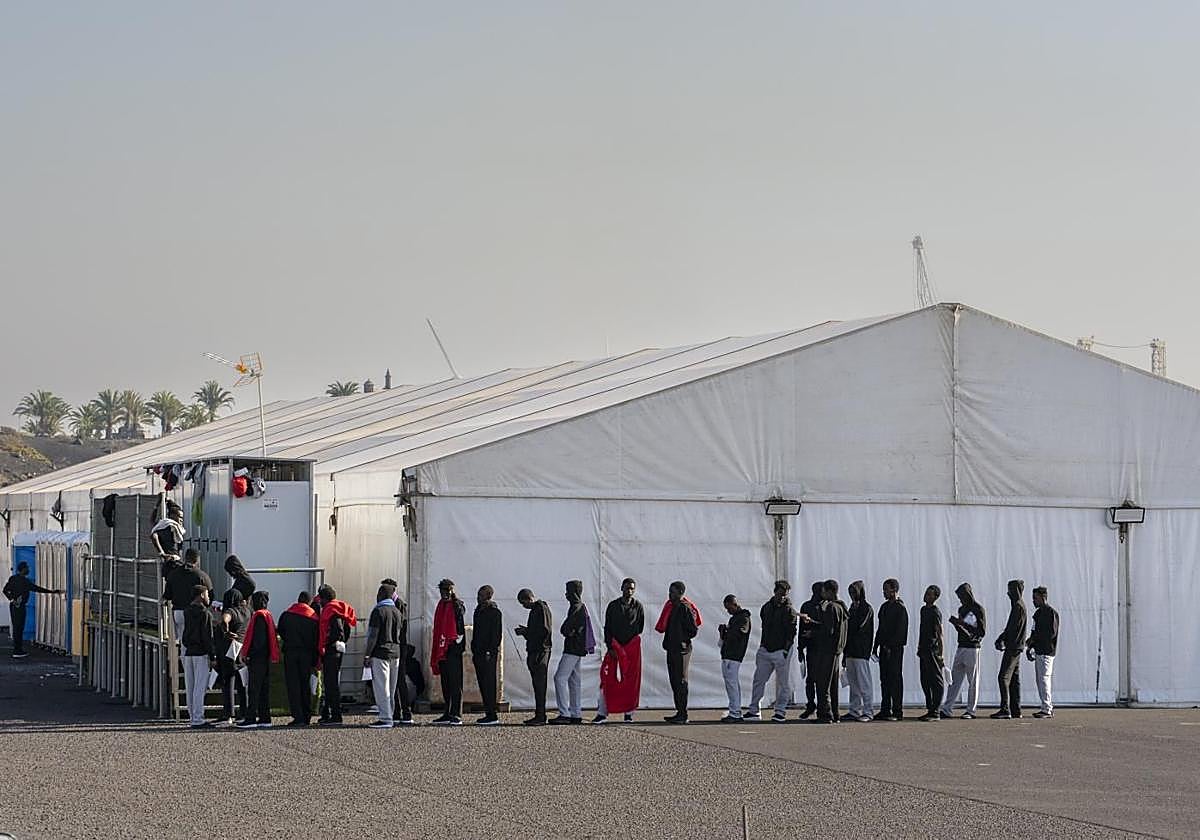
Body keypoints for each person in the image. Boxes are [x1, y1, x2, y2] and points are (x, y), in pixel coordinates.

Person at [746, 580, 798, 723]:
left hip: (781, 650)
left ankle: (780, 711)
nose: (783, 597)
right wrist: (762, 645)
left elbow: (791, 633)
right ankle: (754, 710)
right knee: (758, 680)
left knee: (783, 683)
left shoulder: (790, 611)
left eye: (785, 595)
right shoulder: (766, 608)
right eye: (780, 594)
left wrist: (785, 651)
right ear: (775, 592)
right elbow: (765, 627)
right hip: (766, 649)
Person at [594, 577, 645, 724]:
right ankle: (602, 713)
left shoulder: (638, 606)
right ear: (621, 588)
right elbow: (608, 627)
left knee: (631, 680)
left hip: (632, 648)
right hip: (615, 646)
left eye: (632, 588)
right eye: (627, 587)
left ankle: (629, 713)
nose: (629, 591)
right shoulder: (613, 606)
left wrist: (629, 642)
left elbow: (640, 627)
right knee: (607, 677)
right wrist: (610, 647)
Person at [801, 579, 847, 723]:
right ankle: (835, 713)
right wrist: (813, 622)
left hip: (827, 650)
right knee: (832, 685)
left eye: (824, 590)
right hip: (837, 651)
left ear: (829, 591)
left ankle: (825, 715)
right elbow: (831, 626)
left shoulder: (831, 607)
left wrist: (812, 633)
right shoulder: (842, 607)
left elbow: (828, 630)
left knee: (823, 684)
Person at [655, 580, 701, 724]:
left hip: (682, 650)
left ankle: (683, 714)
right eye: (669, 591)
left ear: (680, 593)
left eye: (673, 592)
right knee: (674, 681)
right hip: (671, 648)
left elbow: (693, 629)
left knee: (681, 681)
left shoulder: (684, 608)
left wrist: (682, 639)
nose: (670, 594)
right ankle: (679, 711)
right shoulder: (671, 607)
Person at [940, 582, 986, 719]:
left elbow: (981, 631)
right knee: (954, 679)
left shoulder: (978, 609)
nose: (960, 599)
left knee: (973, 680)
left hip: (973, 648)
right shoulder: (962, 609)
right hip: (961, 646)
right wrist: (957, 624)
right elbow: (963, 629)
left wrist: (962, 624)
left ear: (967, 594)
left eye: (961, 596)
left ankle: (971, 710)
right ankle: (947, 708)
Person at [551, 579, 592, 725]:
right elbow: (568, 629)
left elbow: (565, 629)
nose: (566, 594)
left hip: (572, 649)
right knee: (574, 681)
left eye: (568, 591)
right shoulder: (581, 607)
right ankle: (575, 713)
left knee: (559, 678)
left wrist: (568, 630)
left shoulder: (576, 608)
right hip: (578, 649)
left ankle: (564, 713)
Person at [315, 583, 356, 726]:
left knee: (331, 684)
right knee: (331, 682)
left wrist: (330, 643)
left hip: (331, 651)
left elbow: (337, 631)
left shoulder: (331, 611)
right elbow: (347, 631)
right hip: (338, 651)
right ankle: (328, 713)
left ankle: (335, 715)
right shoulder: (340, 609)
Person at [277, 590, 319, 727]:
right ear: (309, 602)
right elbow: (316, 638)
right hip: (307, 655)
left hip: (291, 653)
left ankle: (298, 716)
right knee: (305, 684)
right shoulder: (313, 617)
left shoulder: (286, 614)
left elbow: (281, 632)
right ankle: (307, 715)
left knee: (293, 685)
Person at [237, 590, 278, 729]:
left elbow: (259, 641)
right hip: (266, 657)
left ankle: (251, 718)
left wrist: (249, 654)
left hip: (257, 658)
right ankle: (264, 717)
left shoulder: (259, 617)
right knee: (263, 689)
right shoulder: (268, 615)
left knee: (254, 689)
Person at [364, 582, 403, 729]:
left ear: (381, 594)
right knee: (391, 689)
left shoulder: (378, 611)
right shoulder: (397, 612)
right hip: (396, 652)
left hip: (380, 652)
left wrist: (367, 655)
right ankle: (391, 715)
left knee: (381, 687)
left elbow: (373, 635)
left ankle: (385, 718)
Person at [4, 561, 62, 658]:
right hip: (20, 607)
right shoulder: (25, 581)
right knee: (19, 628)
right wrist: (52, 592)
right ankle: (17, 651)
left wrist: (12, 599)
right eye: (27, 568)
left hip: (13, 606)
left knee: (16, 628)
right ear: (23, 569)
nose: (28, 570)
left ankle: (17, 649)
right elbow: (37, 589)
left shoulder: (13, 579)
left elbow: (5, 590)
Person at [430, 578, 467, 726]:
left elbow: (459, 628)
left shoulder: (457, 605)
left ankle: (456, 713)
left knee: (455, 682)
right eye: (442, 591)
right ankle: (447, 711)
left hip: (453, 647)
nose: (444, 594)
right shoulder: (441, 605)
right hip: (442, 647)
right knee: (445, 682)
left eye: (447, 591)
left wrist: (457, 645)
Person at [181, 583, 217, 729]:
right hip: (201, 653)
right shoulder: (206, 614)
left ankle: (192, 716)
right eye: (207, 594)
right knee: (199, 687)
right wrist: (212, 655)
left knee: (190, 686)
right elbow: (207, 636)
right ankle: (198, 718)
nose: (208, 597)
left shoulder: (187, 611)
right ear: (202, 595)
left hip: (189, 651)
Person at [516, 588, 553, 726]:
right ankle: (539, 714)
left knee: (540, 684)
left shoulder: (541, 609)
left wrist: (526, 632)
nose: (523, 606)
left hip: (540, 651)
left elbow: (544, 631)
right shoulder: (537, 610)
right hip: (536, 651)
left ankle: (541, 716)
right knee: (537, 685)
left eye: (523, 602)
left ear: (529, 598)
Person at [991, 579, 1028, 720]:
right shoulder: (1018, 606)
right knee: (1014, 679)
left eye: (1010, 591)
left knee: (1003, 677)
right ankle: (1016, 709)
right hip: (1016, 647)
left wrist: (1003, 640)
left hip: (1013, 647)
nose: (1008, 594)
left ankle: (1005, 709)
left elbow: (1012, 629)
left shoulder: (1018, 607)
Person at [872, 578, 908, 721]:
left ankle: (897, 711)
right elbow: (880, 629)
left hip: (895, 650)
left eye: (886, 589)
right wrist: (875, 646)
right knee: (884, 679)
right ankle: (885, 709)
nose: (884, 592)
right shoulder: (884, 607)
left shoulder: (900, 608)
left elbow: (901, 631)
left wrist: (891, 646)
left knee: (895, 678)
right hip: (883, 648)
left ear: (894, 590)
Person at [382, 578, 414, 726]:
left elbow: (401, 627)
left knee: (399, 680)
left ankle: (406, 712)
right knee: (393, 680)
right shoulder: (392, 604)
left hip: (399, 646)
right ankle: (396, 711)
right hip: (395, 646)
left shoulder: (399, 604)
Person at [162, 549, 213, 643]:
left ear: (185, 558)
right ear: (197, 559)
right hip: (196, 613)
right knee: (196, 640)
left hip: (178, 612)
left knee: (183, 640)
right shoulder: (201, 576)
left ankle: (182, 656)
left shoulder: (173, 574)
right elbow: (210, 595)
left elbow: (167, 595)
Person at [216, 587, 250, 724]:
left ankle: (228, 714)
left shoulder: (231, 611)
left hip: (229, 650)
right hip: (242, 650)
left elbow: (225, 619)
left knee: (228, 681)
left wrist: (226, 629)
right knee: (242, 683)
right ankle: (244, 713)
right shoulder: (247, 612)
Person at [843, 580, 875, 722]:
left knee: (864, 683)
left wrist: (847, 625)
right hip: (850, 650)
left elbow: (859, 626)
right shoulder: (852, 608)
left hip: (861, 651)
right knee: (853, 683)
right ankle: (854, 710)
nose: (852, 595)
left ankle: (868, 711)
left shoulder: (866, 608)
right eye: (850, 592)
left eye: (854, 592)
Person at [1026, 586, 1060, 719]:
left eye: (1035, 598)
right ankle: (1045, 706)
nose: (1033, 601)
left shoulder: (1051, 613)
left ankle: (1047, 708)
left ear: (1042, 597)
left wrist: (1035, 640)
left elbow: (1051, 633)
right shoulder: (1038, 614)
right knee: (1040, 680)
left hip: (1047, 652)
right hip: (1039, 651)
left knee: (1044, 679)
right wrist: (1030, 646)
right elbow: (1033, 631)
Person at [471, 585, 503, 725]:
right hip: (478, 652)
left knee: (489, 683)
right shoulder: (478, 610)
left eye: (481, 595)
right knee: (482, 683)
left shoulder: (494, 612)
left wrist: (490, 651)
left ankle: (492, 714)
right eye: (478, 595)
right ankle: (487, 712)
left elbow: (496, 635)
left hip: (488, 653)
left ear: (488, 595)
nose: (478, 598)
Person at [718, 594, 752, 722]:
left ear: (734, 604)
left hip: (734, 655)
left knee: (732, 684)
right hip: (729, 654)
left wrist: (727, 632)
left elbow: (740, 633)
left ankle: (735, 713)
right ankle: (734, 710)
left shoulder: (743, 618)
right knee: (732, 684)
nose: (728, 611)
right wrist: (725, 632)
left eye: (728, 608)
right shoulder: (736, 618)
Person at [917, 585, 945, 722]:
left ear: (935, 597)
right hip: (923, 649)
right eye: (926, 593)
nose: (926, 596)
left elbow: (940, 634)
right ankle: (930, 708)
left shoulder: (935, 612)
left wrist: (941, 653)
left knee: (936, 680)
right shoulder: (923, 610)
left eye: (929, 594)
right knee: (925, 680)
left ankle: (936, 711)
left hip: (932, 650)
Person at [797, 581, 823, 719]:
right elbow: (801, 629)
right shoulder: (807, 606)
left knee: (820, 679)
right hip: (812, 648)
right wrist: (800, 648)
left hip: (823, 648)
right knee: (811, 679)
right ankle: (811, 705)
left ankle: (822, 706)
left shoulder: (826, 606)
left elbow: (826, 627)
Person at [150, 501, 185, 572]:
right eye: (180, 517)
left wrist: (160, 504)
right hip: (172, 561)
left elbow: (152, 521)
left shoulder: (165, 525)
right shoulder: (170, 526)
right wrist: (162, 553)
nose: (181, 520)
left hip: (173, 561)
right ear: (172, 516)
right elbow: (154, 536)